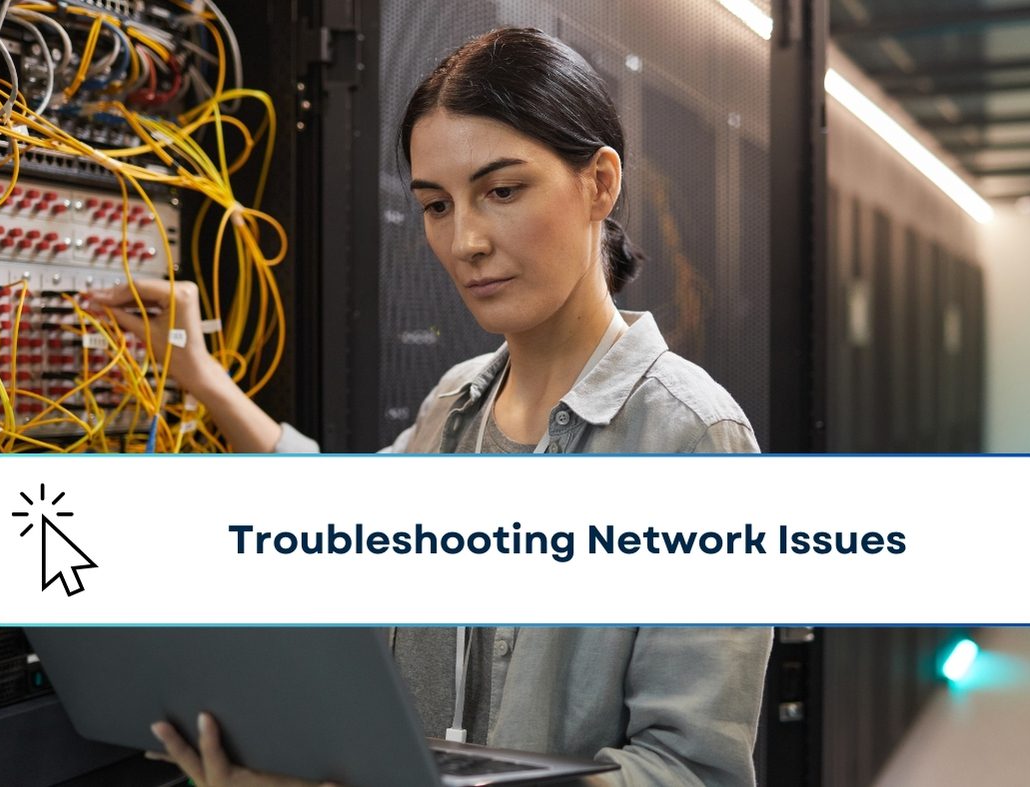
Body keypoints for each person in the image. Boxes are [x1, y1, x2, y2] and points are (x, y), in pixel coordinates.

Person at [88, 26, 772, 787]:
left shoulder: (690, 438)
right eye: (437, 205)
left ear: (600, 183)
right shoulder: (457, 404)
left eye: (501, 191)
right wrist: (204, 378)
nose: (465, 240)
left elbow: (688, 771)